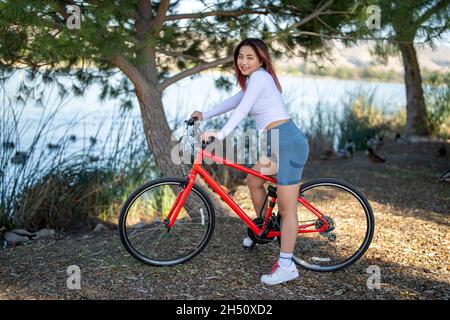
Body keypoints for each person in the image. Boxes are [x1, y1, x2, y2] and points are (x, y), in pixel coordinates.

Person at [190, 38, 309, 285]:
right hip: (278, 143)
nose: (243, 62)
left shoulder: (260, 78)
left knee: (288, 210)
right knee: (253, 180)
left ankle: (287, 265)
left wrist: (219, 134)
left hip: (289, 145)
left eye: (249, 58)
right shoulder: (256, 79)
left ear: (261, 59)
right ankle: (264, 229)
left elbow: (242, 110)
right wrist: (205, 114)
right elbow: (235, 101)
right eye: (240, 57)